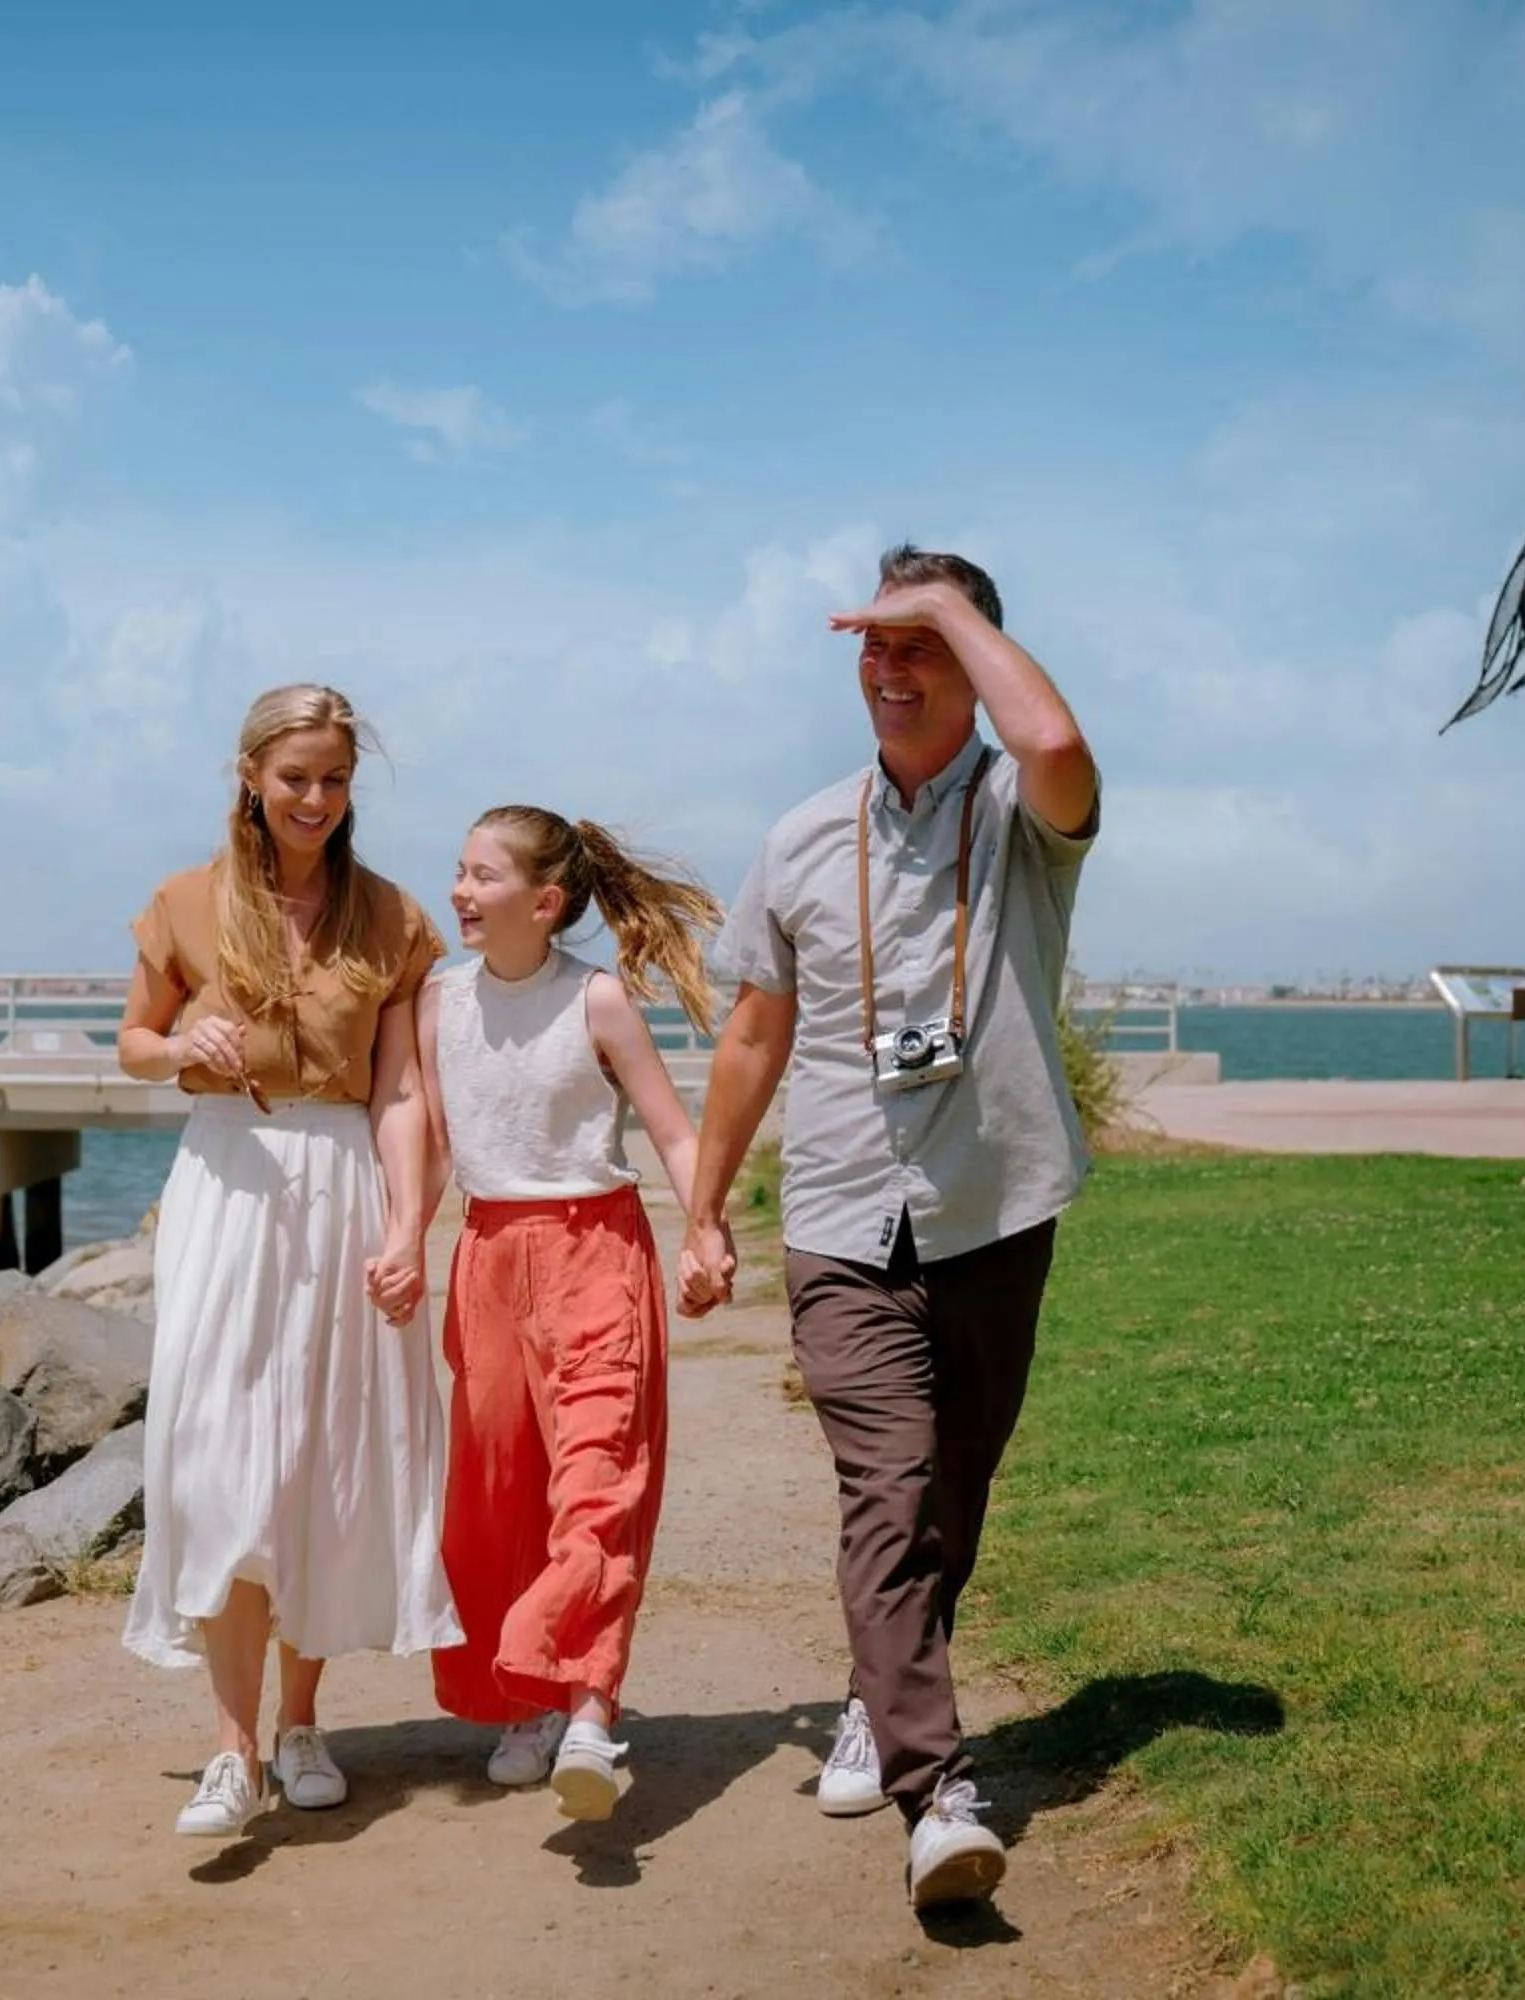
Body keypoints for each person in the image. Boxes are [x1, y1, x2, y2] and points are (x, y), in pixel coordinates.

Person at [678, 545, 1101, 1912]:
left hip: (994, 1203)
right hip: (845, 1211)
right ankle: (939, 1790)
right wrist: (701, 1208)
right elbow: (753, 1032)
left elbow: (1054, 737)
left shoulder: (1025, 815)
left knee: (951, 1494)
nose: (890, 668)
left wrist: (953, 616)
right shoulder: (804, 835)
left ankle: (879, 1688)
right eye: (875, 644)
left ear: (973, 654)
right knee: (889, 1486)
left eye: (920, 644)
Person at [116, 682, 456, 1840]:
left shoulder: (394, 918)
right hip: (225, 1182)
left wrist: (410, 1223)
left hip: (344, 1182)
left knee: (324, 1457)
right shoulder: (186, 901)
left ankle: (303, 1724)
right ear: (252, 775)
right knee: (213, 1457)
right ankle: (232, 1748)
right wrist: (178, 1046)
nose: (316, 797)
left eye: (335, 778)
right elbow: (132, 1040)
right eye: (296, 775)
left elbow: (404, 1087)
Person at [411, 807, 719, 1822]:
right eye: (458, 870)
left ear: (544, 902)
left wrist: (705, 1229)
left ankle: (591, 1709)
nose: (460, 889)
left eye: (483, 875)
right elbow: (428, 1138)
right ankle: (527, 1700)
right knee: (499, 1492)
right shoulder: (437, 1001)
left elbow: (673, 1133)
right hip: (489, 1255)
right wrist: (399, 1236)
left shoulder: (596, 1001)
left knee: (596, 1481)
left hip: (596, 1251)